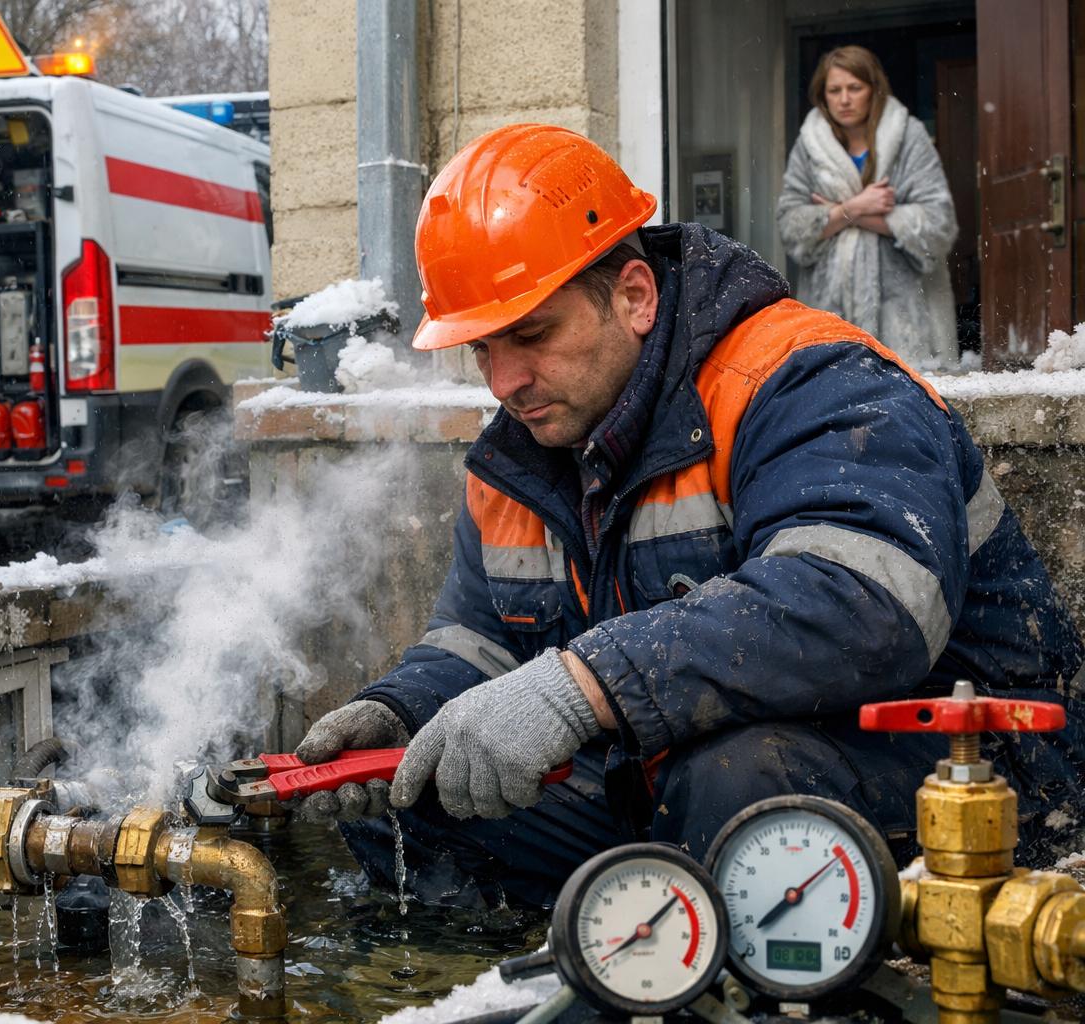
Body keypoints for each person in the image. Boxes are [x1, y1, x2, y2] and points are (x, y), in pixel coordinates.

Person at [294, 124, 1085, 909]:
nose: (505, 381)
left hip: (967, 765)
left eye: (531, 335)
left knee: (734, 782)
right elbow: (483, 640)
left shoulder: (806, 379)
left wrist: (585, 685)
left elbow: (865, 603)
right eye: (482, 351)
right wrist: (401, 712)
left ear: (634, 296)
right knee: (412, 806)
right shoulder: (523, 457)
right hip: (675, 775)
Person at [778, 45, 959, 371]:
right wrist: (858, 206)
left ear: (874, 90)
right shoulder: (810, 145)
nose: (844, 99)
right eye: (834, 90)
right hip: (831, 315)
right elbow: (792, 227)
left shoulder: (908, 137)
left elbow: (938, 224)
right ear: (823, 95)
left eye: (854, 88)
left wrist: (840, 214)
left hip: (907, 317)